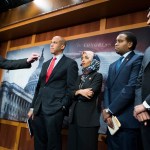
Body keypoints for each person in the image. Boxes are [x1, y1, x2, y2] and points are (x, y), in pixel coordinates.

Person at [27, 36, 78, 150]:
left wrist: (62, 106)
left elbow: (71, 89)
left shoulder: (70, 63)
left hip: (55, 109)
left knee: (53, 143)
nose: (51, 44)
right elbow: (39, 87)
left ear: (62, 46)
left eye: (55, 42)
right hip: (39, 109)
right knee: (39, 142)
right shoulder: (45, 64)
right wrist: (32, 108)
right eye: (51, 42)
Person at [102, 31, 143, 150]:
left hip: (127, 122)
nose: (116, 44)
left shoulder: (137, 59)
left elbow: (130, 89)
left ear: (130, 44)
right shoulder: (113, 65)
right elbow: (108, 89)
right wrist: (107, 112)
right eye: (115, 41)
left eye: (120, 41)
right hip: (111, 122)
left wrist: (110, 110)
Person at [67, 51, 103, 150]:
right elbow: (70, 94)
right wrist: (79, 92)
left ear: (93, 61)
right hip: (74, 118)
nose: (82, 60)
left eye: (86, 58)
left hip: (88, 120)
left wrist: (76, 93)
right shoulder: (79, 77)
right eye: (82, 57)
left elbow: (89, 95)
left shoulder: (97, 76)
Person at [134, 8, 150, 150]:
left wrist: (146, 105)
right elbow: (139, 81)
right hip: (145, 118)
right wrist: (140, 107)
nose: (147, 22)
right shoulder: (148, 51)